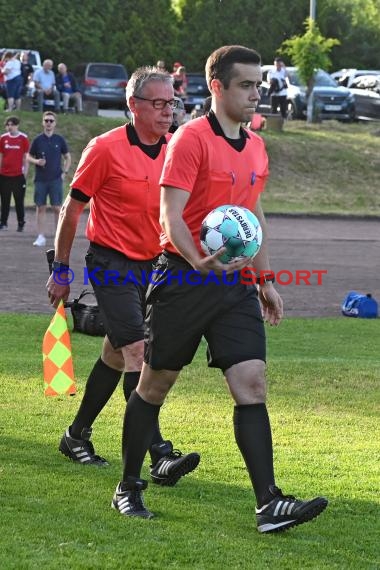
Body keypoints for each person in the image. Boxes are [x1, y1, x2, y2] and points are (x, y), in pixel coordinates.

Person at [113, 45, 328, 531]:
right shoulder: (188, 139)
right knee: (155, 383)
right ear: (217, 87)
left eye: (259, 85)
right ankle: (128, 485)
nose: (257, 94)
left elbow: (255, 218)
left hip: (234, 285)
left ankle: (268, 502)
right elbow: (169, 214)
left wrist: (264, 278)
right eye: (247, 86)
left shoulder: (255, 145)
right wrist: (198, 261)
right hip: (184, 279)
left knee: (251, 382)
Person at [45, 66, 200, 485]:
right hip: (110, 262)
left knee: (116, 353)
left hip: (154, 266)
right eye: (158, 103)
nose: (168, 111)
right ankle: (159, 454)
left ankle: (76, 435)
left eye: (172, 103)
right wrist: (61, 269)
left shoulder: (176, 148)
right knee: (137, 352)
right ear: (133, 106)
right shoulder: (105, 148)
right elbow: (72, 209)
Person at [27, 112, 71, 246]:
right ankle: (41, 236)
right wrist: (36, 161)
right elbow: (28, 156)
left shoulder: (59, 139)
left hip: (55, 179)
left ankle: (58, 236)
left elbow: (67, 157)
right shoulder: (38, 140)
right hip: (40, 179)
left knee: (57, 208)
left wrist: (65, 172)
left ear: (55, 123)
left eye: (51, 121)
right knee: (40, 207)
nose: (48, 123)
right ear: (43, 122)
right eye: (46, 120)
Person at [0, 116, 29, 231]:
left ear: (17, 125)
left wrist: (24, 174)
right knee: (4, 200)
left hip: (18, 176)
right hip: (4, 175)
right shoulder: (3, 138)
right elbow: (1, 156)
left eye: (12, 124)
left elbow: (26, 157)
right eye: (8, 125)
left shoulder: (23, 138)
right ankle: (3, 222)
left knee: (19, 201)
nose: (10, 127)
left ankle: (21, 223)